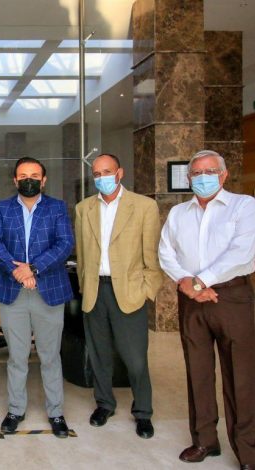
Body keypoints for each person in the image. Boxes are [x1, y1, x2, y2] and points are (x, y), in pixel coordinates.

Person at [159, 150, 255, 470]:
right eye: (196, 173)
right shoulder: (178, 213)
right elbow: (166, 251)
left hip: (231, 296)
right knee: (198, 371)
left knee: (241, 377)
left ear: (223, 175)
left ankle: (247, 453)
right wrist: (187, 283)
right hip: (191, 300)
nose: (202, 177)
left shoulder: (244, 206)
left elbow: (242, 251)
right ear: (189, 178)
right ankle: (204, 440)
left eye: (210, 171)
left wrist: (201, 281)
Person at [74, 153, 162, 439]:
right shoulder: (83, 208)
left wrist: (147, 290)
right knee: (99, 354)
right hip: (95, 291)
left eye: (107, 172)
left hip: (129, 291)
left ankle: (143, 412)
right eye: (97, 174)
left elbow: (152, 255)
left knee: (135, 358)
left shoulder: (144, 206)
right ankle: (104, 404)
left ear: (120, 173)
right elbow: (82, 254)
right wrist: (84, 286)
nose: (102, 178)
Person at [0, 157, 75, 438]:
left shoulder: (57, 207)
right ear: (15, 180)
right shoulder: (2, 209)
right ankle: (16, 410)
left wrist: (33, 268)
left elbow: (65, 244)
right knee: (17, 356)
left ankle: (56, 412)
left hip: (48, 289)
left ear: (43, 180)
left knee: (50, 356)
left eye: (35, 176)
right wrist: (17, 271)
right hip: (12, 291)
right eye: (23, 176)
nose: (29, 180)